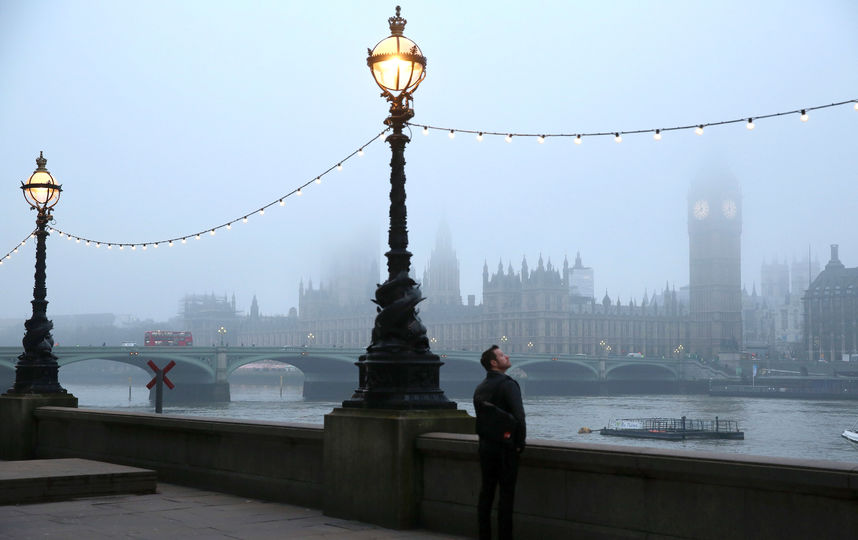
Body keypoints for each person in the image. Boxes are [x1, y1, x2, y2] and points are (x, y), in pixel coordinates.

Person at [473, 345, 526, 540]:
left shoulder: (480, 388)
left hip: (486, 447)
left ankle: (484, 535)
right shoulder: (508, 384)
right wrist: (520, 443)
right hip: (506, 449)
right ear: (494, 363)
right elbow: (519, 416)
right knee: (506, 497)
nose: (507, 356)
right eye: (502, 355)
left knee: (486, 494)